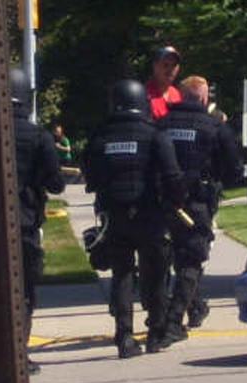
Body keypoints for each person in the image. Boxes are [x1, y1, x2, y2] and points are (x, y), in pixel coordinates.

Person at [0, 68, 65, 376]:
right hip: (24, 222)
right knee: (24, 291)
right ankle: (18, 353)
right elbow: (56, 183)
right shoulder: (39, 136)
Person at [82, 79, 185, 358]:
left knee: (122, 275)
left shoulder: (101, 136)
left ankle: (124, 336)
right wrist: (176, 203)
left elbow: (90, 178)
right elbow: (172, 175)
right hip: (149, 214)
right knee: (156, 274)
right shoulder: (154, 134)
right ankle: (156, 332)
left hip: (113, 215)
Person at [157, 75, 241, 341]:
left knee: (173, 259)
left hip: (163, 202)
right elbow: (234, 171)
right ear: (205, 98)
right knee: (192, 259)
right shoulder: (215, 126)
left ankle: (195, 306)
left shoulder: (160, 124)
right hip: (198, 202)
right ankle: (171, 323)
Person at [146, 46, 183, 120]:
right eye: (165, 65)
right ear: (155, 66)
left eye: (174, 65)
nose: (170, 69)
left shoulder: (177, 94)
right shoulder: (144, 94)